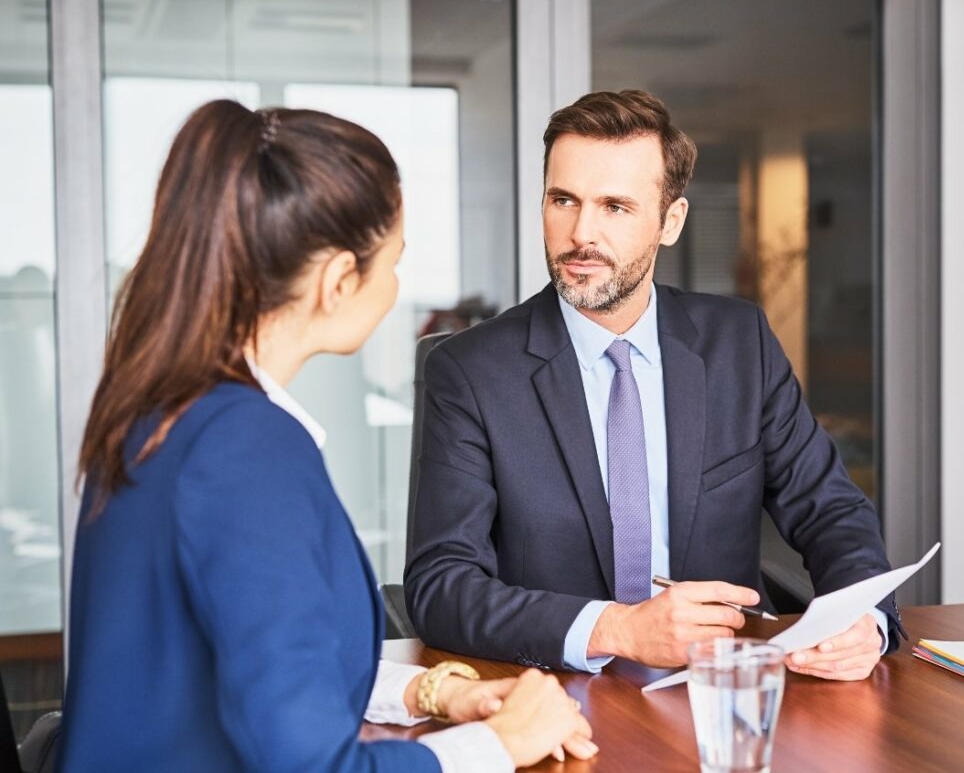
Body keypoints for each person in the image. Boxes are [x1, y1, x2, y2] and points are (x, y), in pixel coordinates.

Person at [57, 100, 596, 773]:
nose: (396, 287)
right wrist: (499, 744)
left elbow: (266, 660)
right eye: (394, 262)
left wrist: (440, 693)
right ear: (339, 280)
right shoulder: (245, 450)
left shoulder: (164, 409)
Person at [405, 90, 905, 680]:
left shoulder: (738, 343)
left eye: (615, 206)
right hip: (554, 693)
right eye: (563, 200)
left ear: (671, 222)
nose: (580, 233)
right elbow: (441, 585)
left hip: (719, 688)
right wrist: (617, 628)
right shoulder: (469, 371)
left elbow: (830, 510)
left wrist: (862, 618)